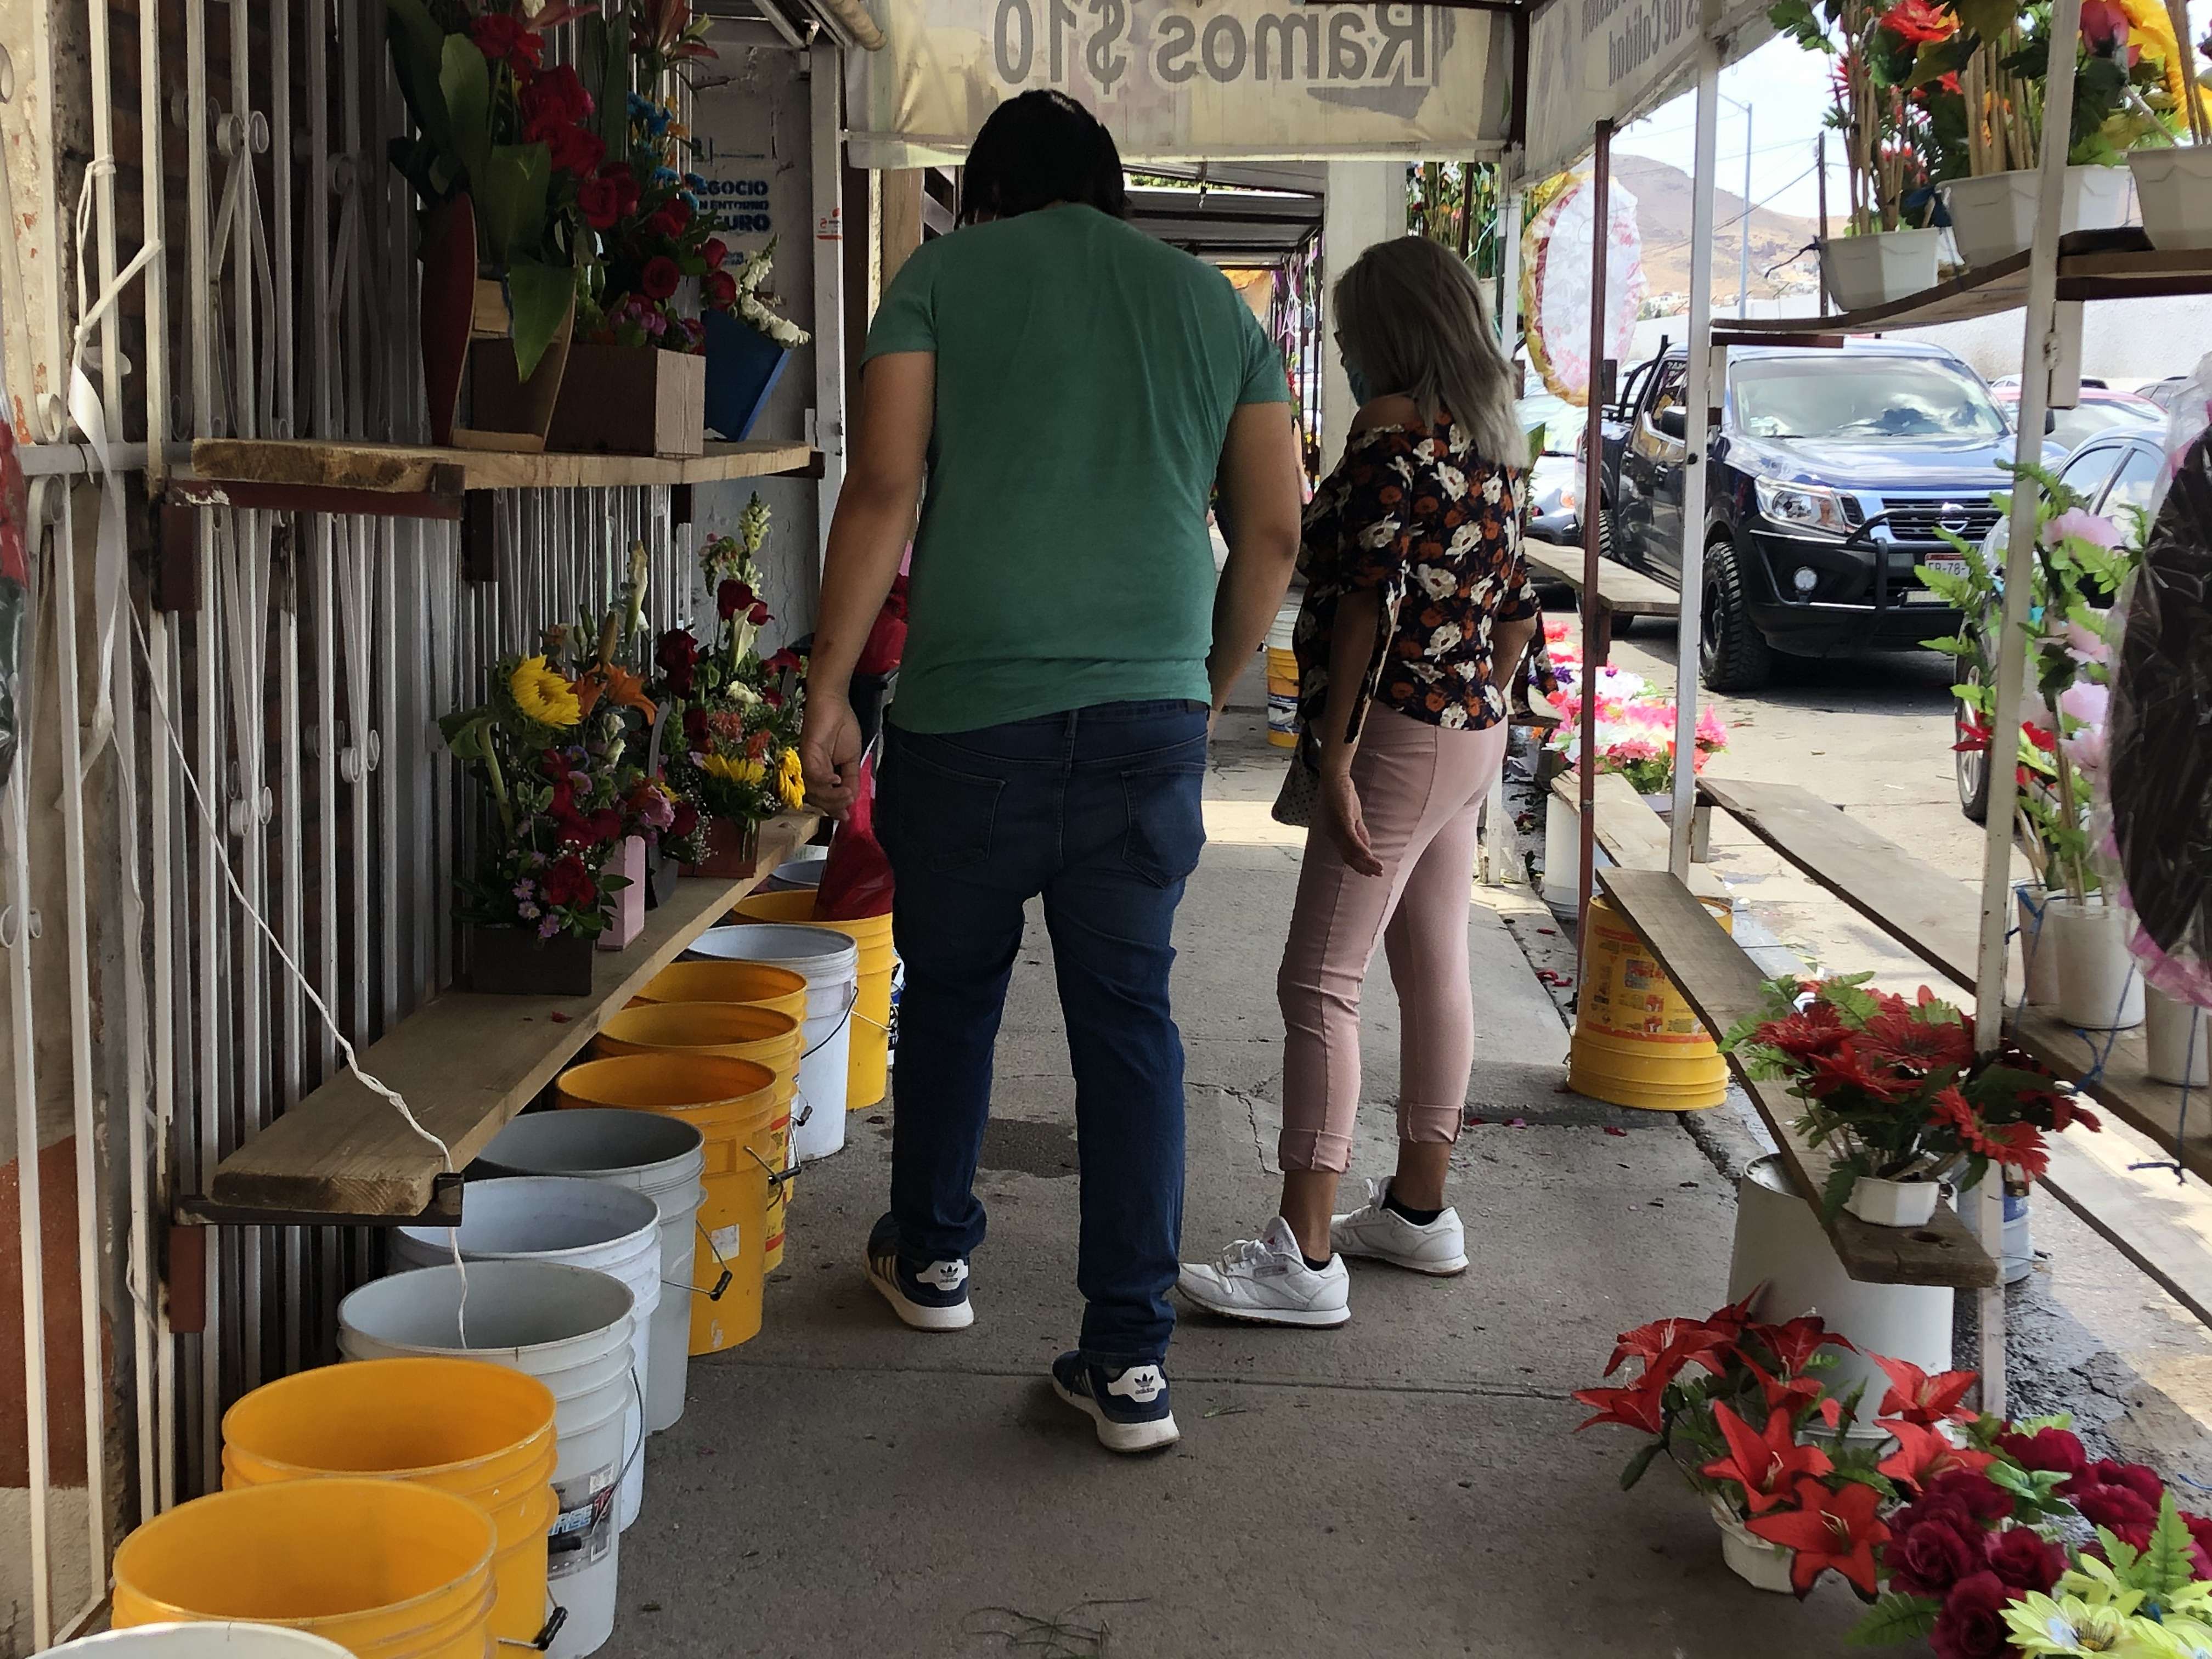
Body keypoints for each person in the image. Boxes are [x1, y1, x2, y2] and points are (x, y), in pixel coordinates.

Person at [798, 90, 1304, 1453]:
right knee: (1128, 1024)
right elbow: (1270, 528)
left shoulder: (943, 278)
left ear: (988, 192)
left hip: (971, 722)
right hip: (1143, 720)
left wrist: (830, 684)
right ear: (1110, 193)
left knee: (954, 990)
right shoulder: (1214, 310)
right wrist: (1201, 681)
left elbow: (885, 488)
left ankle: (937, 1258)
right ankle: (1130, 1360)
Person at [1177, 235, 1540, 1328]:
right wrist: (1478, 698)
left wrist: (1336, 751)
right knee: (1434, 966)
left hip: (1391, 731)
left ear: (1389, 336)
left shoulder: (1388, 451)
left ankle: (1306, 1249)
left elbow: (1363, 605)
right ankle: (1421, 1212)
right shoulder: (1488, 450)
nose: (1340, 355)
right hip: (1468, 725)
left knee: (1319, 979)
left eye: (1348, 336)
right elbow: (1518, 611)